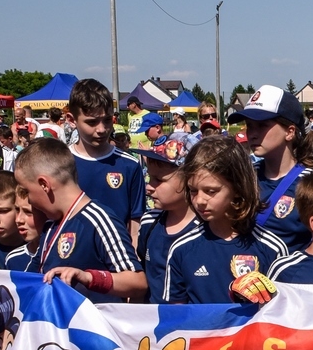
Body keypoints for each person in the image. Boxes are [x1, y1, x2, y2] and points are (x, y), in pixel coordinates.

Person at [13, 138, 145, 304]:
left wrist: (89, 277)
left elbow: (137, 281)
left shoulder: (99, 219)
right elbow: (32, 277)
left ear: (44, 184)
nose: (29, 200)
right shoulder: (51, 225)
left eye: (27, 191)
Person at [160, 135, 288, 305]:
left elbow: (283, 311)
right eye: (193, 190)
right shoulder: (181, 249)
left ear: (238, 188)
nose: (200, 200)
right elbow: (175, 314)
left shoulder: (272, 248)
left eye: (211, 191)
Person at [232, 85, 313, 251]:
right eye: (249, 125)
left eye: (262, 125)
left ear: (289, 132)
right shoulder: (243, 177)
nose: (252, 134)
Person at [65, 78, 147, 240]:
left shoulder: (129, 165)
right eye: (92, 122)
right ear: (71, 120)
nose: (102, 129)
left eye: (107, 120)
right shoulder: (59, 163)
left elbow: (135, 223)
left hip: (117, 254)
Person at [135, 140, 193, 303]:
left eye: (159, 180)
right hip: (152, 316)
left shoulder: (207, 229)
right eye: (149, 177)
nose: (149, 187)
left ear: (189, 180)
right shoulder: (149, 222)